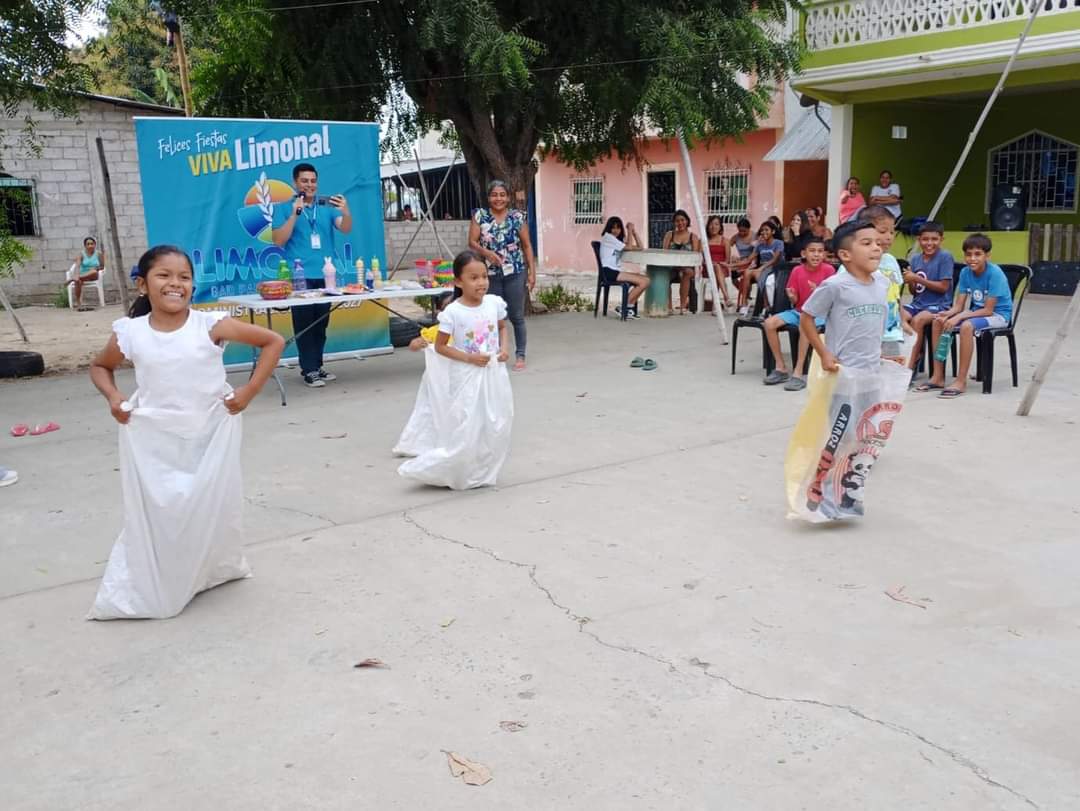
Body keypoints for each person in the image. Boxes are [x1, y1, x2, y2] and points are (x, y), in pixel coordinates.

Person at [87, 245, 285, 620]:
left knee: (212, 503)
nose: (175, 284)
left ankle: (214, 567)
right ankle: (168, 572)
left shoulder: (209, 326)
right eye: (164, 275)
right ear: (143, 285)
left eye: (184, 277)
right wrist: (114, 397)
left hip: (210, 432)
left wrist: (249, 391)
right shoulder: (130, 333)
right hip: (154, 438)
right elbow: (100, 367)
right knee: (164, 508)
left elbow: (272, 341)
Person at [395, 249, 514, 489]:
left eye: (484, 276)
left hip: (493, 374)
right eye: (474, 278)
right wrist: (470, 358)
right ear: (459, 281)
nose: (481, 282)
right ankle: (451, 468)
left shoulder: (493, 303)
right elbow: (441, 346)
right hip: (467, 376)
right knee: (467, 425)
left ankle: (481, 469)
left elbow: (502, 327)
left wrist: (504, 349)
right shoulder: (453, 312)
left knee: (496, 422)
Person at [271, 162, 352, 388]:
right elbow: (279, 240)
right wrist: (295, 214)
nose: (309, 185)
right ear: (295, 182)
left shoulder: (325, 206)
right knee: (304, 323)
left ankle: (317, 365)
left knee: (321, 323)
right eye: (304, 181)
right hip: (300, 275)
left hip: (326, 273)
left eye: (313, 181)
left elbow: (345, 228)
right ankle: (309, 370)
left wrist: (346, 211)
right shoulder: (284, 208)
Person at [919, 234, 1013, 399]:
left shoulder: (995, 273)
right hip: (975, 314)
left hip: (998, 316)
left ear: (987, 256)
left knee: (966, 326)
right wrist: (948, 314)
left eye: (978, 254)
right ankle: (938, 377)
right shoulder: (965, 272)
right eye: (968, 254)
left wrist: (961, 316)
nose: (972, 259)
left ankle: (961, 381)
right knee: (938, 322)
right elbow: (958, 306)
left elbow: (988, 310)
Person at [800, 220, 889, 374]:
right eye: (867, 243)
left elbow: (874, 326)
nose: (876, 248)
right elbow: (806, 317)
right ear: (845, 254)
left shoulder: (882, 282)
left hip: (873, 368)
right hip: (842, 368)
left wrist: (880, 355)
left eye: (878, 243)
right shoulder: (835, 285)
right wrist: (824, 354)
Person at [468, 180, 537, 371]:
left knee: (516, 315)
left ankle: (520, 354)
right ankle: (495, 353)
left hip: (515, 272)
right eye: (494, 195)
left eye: (502, 195)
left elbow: (527, 245)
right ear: (488, 197)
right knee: (492, 316)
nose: (498, 198)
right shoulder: (480, 216)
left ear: (508, 198)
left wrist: (532, 273)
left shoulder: (517, 217)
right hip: (489, 275)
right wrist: (487, 253)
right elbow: (472, 242)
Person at [762, 234, 835, 390]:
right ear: (804, 253)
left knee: (805, 325)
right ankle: (780, 367)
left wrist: (818, 292)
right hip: (799, 311)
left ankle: (798, 371)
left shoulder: (829, 270)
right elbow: (795, 301)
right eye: (812, 251)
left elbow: (832, 300)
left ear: (824, 254)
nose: (816, 255)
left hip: (820, 314)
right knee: (769, 323)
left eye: (820, 251)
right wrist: (792, 296)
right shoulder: (797, 270)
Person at [903, 221, 955, 373]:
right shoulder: (915, 259)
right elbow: (915, 292)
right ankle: (911, 352)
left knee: (918, 320)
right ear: (919, 240)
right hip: (918, 304)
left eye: (934, 239)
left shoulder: (945, 257)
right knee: (897, 315)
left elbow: (943, 287)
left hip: (939, 305)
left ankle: (910, 365)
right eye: (925, 239)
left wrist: (916, 278)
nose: (929, 243)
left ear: (941, 239)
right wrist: (911, 281)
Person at [859, 205, 909, 358]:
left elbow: (896, 296)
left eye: (892, 232)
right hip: (865, 334)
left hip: (891, 333)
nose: (889, 237)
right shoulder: (856, 262)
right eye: (882, 231)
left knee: (890, 368)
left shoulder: (891, 261)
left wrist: (903, 321)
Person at [598, 216, 650, 319]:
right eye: (613, 228)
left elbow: (640, 247)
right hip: (609, 272)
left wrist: (634, 232)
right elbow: (629, 247)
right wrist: (629, 230)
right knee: (644, 282)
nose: (615, 230)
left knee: (646, 279)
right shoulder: (608, 237)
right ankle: (623, 307)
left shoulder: (616, 241)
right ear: (609, 228)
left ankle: (627, 308)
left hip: (615, 271)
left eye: (618, 228)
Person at [737, 221, 784, 314]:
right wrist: (730, 265)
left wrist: (761, 268)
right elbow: (748, 260)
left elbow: (775, 260)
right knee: (747, 272)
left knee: (758, 274)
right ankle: (744, 303)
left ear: (773, 231)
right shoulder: (760, 245)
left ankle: (766, 305)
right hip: (763, 269)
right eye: (762, 230)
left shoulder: (778, 243)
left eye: (766, 230)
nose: (763, 232)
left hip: (775, 268)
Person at [662, 209, 701, 314]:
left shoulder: (693, 237)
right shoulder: (669, 235)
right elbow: (664, 253)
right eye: (677, 221)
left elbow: (695, 257)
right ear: (674, 223)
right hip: (671, 266)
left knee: (686, 273)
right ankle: (669, 307)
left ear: (687, 221)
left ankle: (683, 307)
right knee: (663, 274)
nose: (680, 223)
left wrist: (683, 266)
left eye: (682, 220)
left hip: (687, 267)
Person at [704, 215, 734, 311]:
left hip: (722, 267)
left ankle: (715, 306)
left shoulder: (725, 241)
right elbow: (701, 258)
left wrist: (719, 264)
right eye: (711, 224)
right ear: (708, 226)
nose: (713, 227)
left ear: (720, 227)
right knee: (716, 268)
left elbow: (727, 260)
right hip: (707, 267)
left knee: (717, 268)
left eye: (716, 224)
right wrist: (710, 264)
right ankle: (726, 297)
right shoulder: (704, 241)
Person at [68, 236, 106, 311]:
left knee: (93, 271)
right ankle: (79, 304)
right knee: (77, 281)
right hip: (83, 274)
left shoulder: (99, 254)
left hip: (93, 275)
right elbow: (77, 266)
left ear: (95, 244)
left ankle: (73, 279)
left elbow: (102, 266)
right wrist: (76, 275)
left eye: (92, 244)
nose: (90, 245)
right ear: (85, 245)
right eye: (88, 244)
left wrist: (96, 268)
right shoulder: (81, 254)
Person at [728, 217, 756, 293]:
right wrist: (732, 256)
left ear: (749, 228)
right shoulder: (736, 237)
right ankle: (744, 292)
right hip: (741, 261)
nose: (742, 233)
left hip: (752, 261)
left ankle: (746, 294)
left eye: (744, 231)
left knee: (747, 276)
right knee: (733, 277)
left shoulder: (755, 236)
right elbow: (727, 246)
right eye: (740, 231)